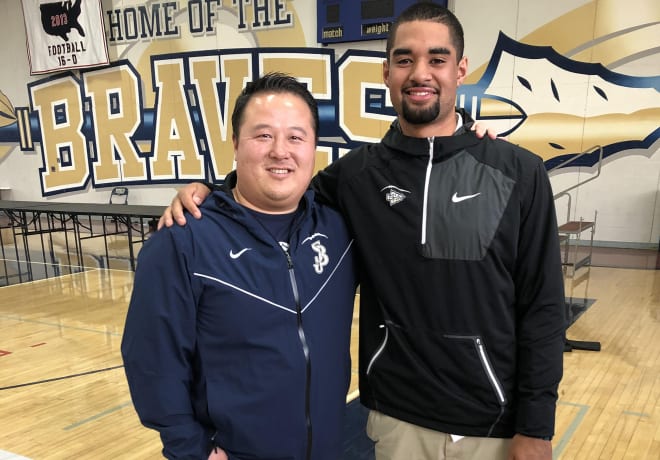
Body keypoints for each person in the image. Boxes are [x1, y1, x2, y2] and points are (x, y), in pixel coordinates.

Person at [160, 3, 566, 459]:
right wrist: (208, 192)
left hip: (494, 426)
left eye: (437, 59)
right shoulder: (354, 179)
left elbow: (544, 308)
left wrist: (536, 428)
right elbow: (275, 190)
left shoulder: (518, 173)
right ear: (387, 72)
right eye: (404, 59)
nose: (420, 73)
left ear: (460, 69)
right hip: (397, 420)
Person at [121, 73, 358, 460]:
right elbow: (151, 361)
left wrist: (478, 139)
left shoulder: (340, 226)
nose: (280, 151)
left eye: (296, 137)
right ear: (235, 144)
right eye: (263, 135)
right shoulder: (183, 241)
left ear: (314, 147)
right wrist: (191, 449)